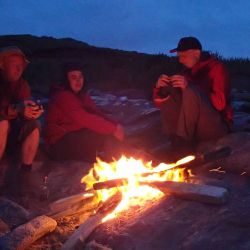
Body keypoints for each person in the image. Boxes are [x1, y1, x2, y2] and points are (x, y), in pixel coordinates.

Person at [153, 37, 233, 154]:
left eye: (183, 56)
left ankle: (182, 146)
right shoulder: (186, 72)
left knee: (189, 90)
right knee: (171, 87)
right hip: (195, 127)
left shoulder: (216, 68)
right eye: (179, 56)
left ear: (196, 53)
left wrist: (191, 87)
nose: (180, 60)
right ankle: (173, 138)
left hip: (216, 125)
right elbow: (162, 105)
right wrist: (159, 88)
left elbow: (220, 104)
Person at [44, 63, 125, 162]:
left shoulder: (82, 95)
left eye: (80, 77)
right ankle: (114, 163)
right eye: (73, 77)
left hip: (75, 135)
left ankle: (115, 159)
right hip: (58, 144)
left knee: (105, 132)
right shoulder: (62, 96)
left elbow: (96, 112)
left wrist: (115, 125)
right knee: (102, 134)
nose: (78, 81)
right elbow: (85, 118)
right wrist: (112, 129)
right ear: (66, 80)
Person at [0, 46, 44, 191]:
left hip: (11, 138)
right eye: (14, 66)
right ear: (2, 65)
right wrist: (17, 109)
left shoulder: (22, 85)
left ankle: (25, 175)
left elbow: (24, 104)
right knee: (3, 122)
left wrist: (32, 111)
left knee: (34, 124)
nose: (19, 70)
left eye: (21, 67)